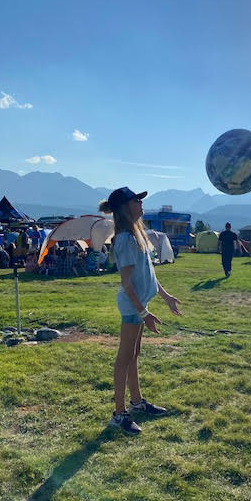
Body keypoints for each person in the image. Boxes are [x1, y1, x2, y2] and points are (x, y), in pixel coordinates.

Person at [99, 186, 182, 435]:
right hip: (132, 305)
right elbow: (126, 283)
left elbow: (149, 275)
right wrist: (143, 313)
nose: (141, 204)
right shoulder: (124, 239)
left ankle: (137, 402)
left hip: (140, 305)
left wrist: (166, 297)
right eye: (137, 200)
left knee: (134, 353)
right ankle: (119, 413)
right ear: (126, 207)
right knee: (124, 357)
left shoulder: (139, 235)